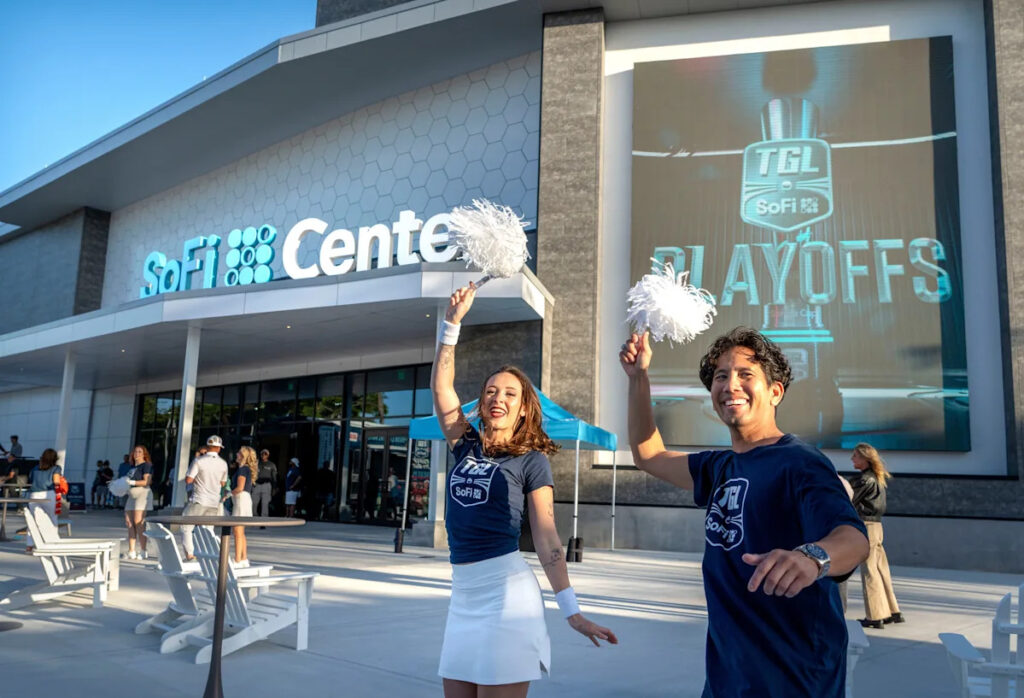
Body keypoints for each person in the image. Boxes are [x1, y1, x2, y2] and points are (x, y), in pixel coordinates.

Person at [620, 326, 869, 698]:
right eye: (721, 376)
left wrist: (812, 557)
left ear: (775, 392)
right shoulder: (719, 467)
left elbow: (853, 538)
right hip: (727, 680)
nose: (730, 385)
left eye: (745, 375)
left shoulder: (800, 463)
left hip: (795, 681)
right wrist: (639, 377)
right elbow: (649, 455)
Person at [434, 284, 616, 698]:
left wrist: (571, 611)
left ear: (522, 408)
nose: (498, 397)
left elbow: (548, 537)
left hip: (507, 599)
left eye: (510, 393)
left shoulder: (532, 461)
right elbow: (442, 390)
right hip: (462, 597)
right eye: (491, 390)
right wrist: (451, 324)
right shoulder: (464, 444)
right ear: (482, 402)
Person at [849, 442, 904, 629]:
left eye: (855, 456)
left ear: (865, 458)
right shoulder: (877, 478)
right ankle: (892, 611)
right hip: (877, 525)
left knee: (870, 570)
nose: (852, 459)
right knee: (881, 568)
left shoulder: (864, 480)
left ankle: (875, 615)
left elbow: (849, 499)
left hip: (866, 525)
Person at [181, 437, 229, 561]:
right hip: (214, 501)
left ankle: (190, 554)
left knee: (186, 527)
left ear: (207, 447)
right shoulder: (223, 463)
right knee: (208, 529)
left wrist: (200, 479)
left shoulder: (199, 461)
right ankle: (208, 554)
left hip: (199, 499)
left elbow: (188, 480)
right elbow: (223, 483)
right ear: (219, 448)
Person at [25, 448, 62, 552]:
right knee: (52, 519)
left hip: (34, 495)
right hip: (48, 494)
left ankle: (29, 545)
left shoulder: (35, 468)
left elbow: (30, 480)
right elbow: (56, 482)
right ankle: (52, 542)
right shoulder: (56, 468)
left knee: (33, 520)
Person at [124, 445, 154, 560]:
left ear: (144, 454)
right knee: (129, 522)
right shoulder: (131, 467)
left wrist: (131, 482)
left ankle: (143, 550)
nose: (137, 453)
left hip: (142, 493)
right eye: (135, 452)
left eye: (140, 452)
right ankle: (131, 550)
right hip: (131, 494)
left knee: (138, 522)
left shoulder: (147, 465)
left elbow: (147, 481)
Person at [230, 446, 257, 567]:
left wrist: (228, 494)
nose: (236, 454)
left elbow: (240, 488)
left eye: (239, 453)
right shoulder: (245, 469)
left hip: (241, 499)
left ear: (243, 456)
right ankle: (243, 558)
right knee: (240, 531)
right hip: (244, 499)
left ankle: (237, 560)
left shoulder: (242, 469)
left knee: (237, 530)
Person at [252, 449, 277, 521]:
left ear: (268, 455)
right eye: (262, 454)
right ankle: (254, 516)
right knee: (254, 502)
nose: (263, 455)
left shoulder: (271, 465)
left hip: (266, 485)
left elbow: (274, 477)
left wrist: (274, 488)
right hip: (257, 485)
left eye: (265, 454)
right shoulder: (256, 463)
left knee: (265, 503)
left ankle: (264, 519)